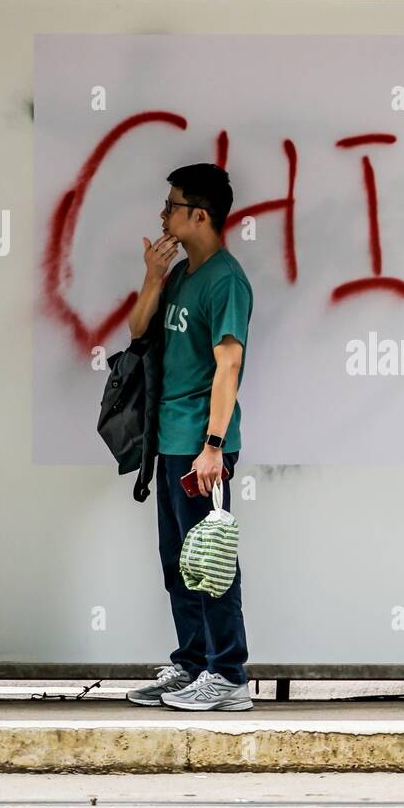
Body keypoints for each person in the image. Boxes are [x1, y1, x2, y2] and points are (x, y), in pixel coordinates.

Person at [124, 163, 254, 711]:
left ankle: (227, 674)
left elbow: (229, 366)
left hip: (203, 445)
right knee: (180, 560)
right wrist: (153, 277)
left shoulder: (225, 280)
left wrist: (214, 447)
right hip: (171, 439)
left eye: (172, 205)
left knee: (211, 561)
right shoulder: (182, 276)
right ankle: (192, 664)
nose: (163, 214)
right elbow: (136, 331)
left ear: (199, 215)